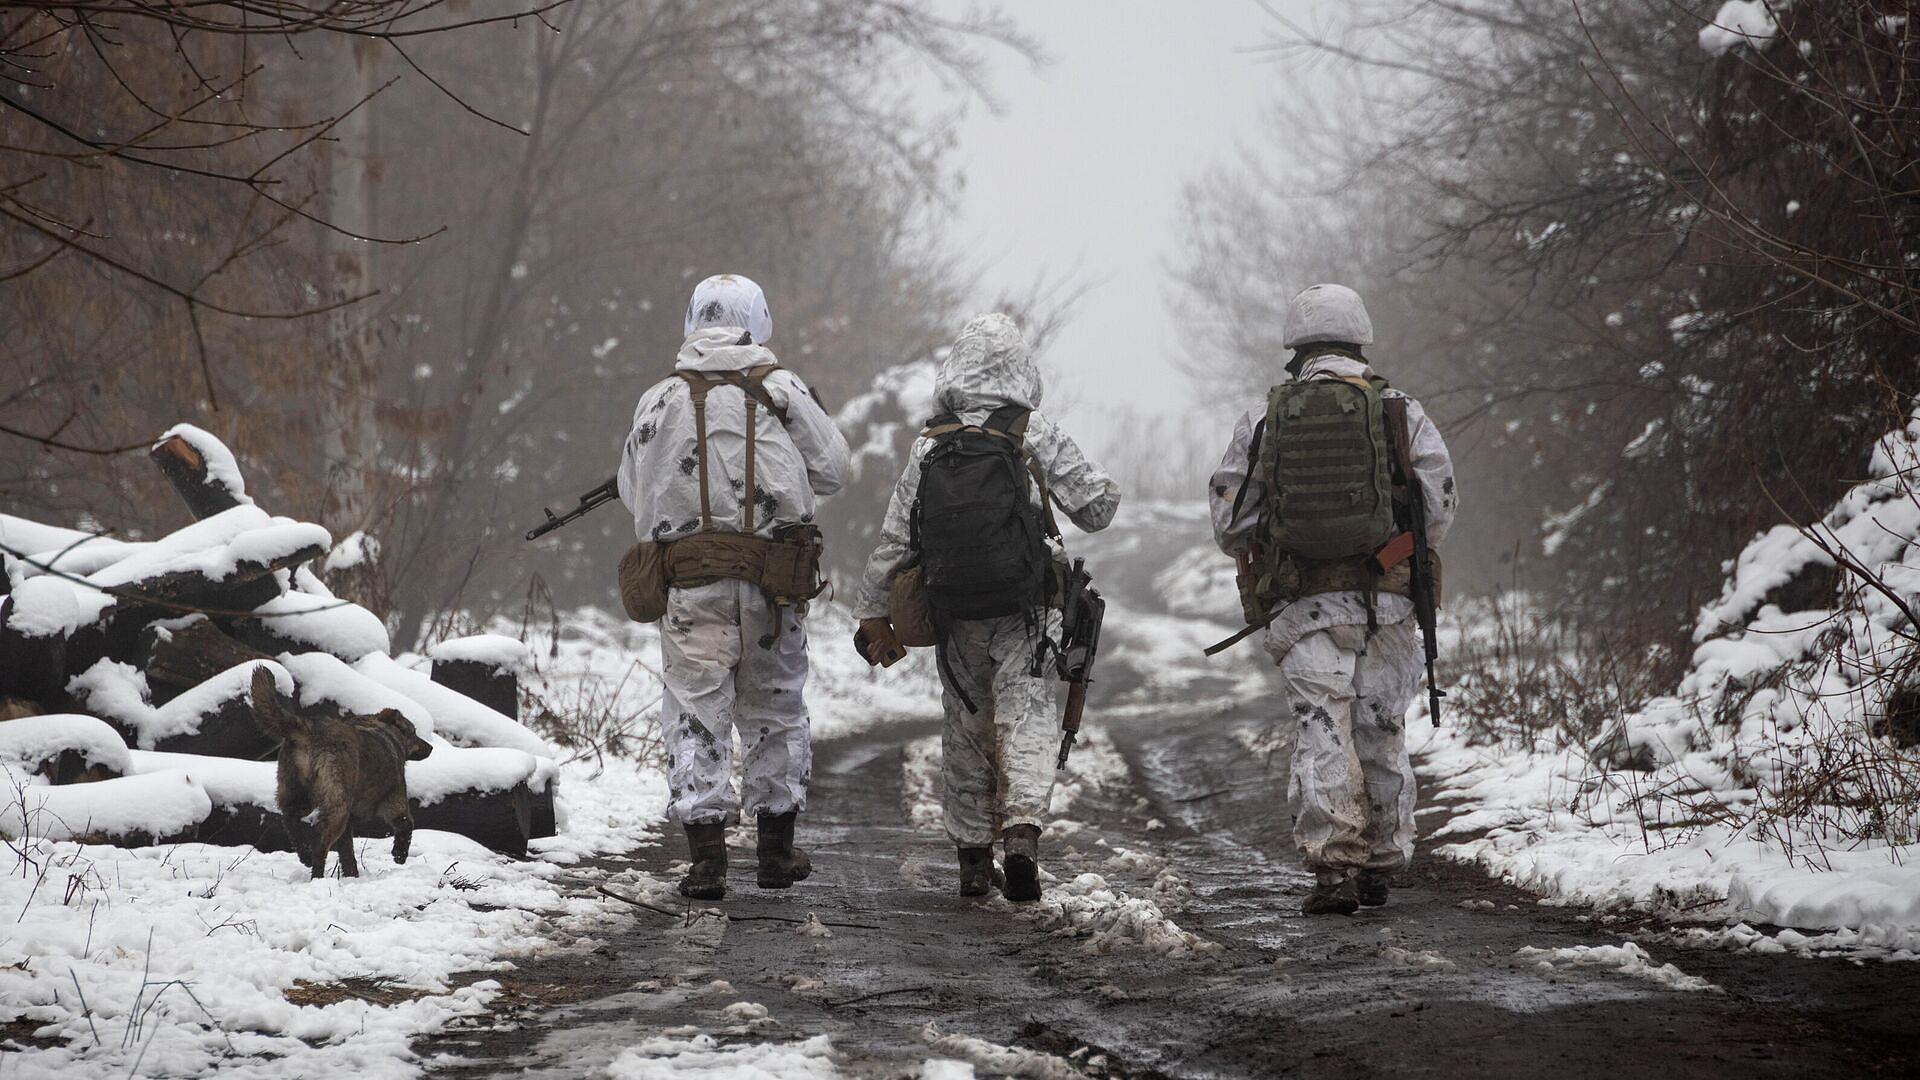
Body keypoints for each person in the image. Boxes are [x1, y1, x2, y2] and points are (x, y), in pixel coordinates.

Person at [853, 313, 1121, 901]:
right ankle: (1021, 836)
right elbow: (1099, 508)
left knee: (966, 725)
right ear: (1021, 369)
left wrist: (872, 611)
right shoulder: (1032, 432)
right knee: (1025, 713)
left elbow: (895, 540)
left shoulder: (931, 445)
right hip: (1024, 609)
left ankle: (973, 861)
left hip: (952, 610)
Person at [1208, 284, 1456, 915]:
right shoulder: (1400, 409)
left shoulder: (1265, 418)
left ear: (1296, 345)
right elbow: (1438, 504)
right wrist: (1392, 554)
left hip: (1303, 607)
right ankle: (1382, 861)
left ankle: (1334, 869)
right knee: (1381, 727)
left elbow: (1230, 524)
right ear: (1359, 338)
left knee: (1323, 728)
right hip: (1391, 602)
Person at [617, 273, 850, 901]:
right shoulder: (784, 391)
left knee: (696, 712)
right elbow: (833, 471)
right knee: (775, 710)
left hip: (691, 587)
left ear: (692, 319)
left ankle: (707, 860)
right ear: (759, 319)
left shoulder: (658, 399)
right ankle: (776, 853)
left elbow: (630, 491)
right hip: (775, 587)